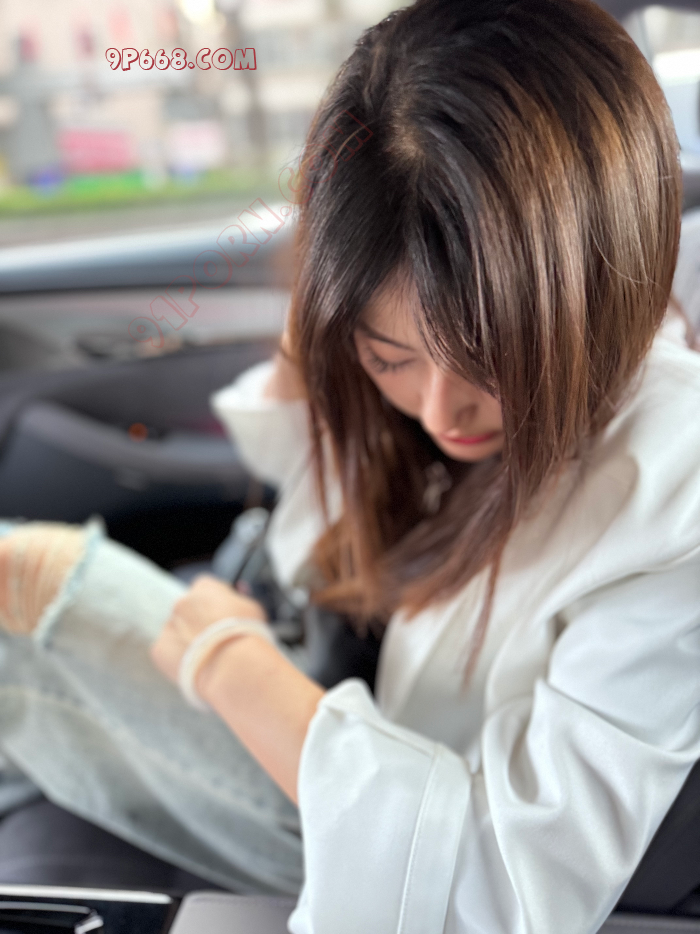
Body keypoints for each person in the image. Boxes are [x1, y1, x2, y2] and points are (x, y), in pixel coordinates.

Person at [0, 0, 699, 931]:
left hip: (381, 840)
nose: (441, 413)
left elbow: (497, 885)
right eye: (391, 357)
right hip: (338, 720)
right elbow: (330, 503)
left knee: (23, 586)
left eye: (493, 364)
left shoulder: (674, 496)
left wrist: (230, 664)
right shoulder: (446, 398)